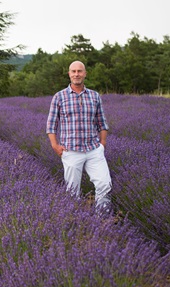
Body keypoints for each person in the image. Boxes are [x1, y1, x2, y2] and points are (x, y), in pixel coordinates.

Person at [46, 60, 112, 215]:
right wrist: (55, 146)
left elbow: (102, 123)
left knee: (104, 184)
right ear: (69, 74)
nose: (76, 74)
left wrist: (102, 144)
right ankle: (76, 222)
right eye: (73, 71)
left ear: (85, 74)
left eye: (79, 71)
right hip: (71, 151)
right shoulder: (59, 97)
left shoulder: (94, 96)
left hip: (93, 150)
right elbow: (51, 124)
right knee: (72, 191)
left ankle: (102, 220)